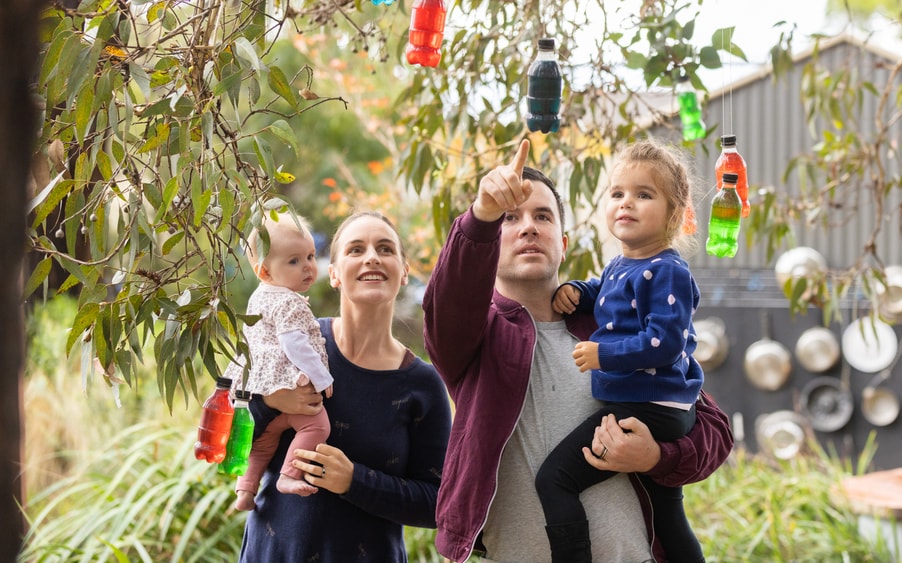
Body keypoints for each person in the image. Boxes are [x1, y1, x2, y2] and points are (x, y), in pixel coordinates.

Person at [423, 138, 733, 563]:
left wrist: (658, 457)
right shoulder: (474, 339)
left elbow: (715, 432)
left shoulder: (614, 324)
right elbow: (449, 301)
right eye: (510, 219)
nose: (528, 226)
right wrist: (480, 217)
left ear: (564, 243)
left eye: (542, 216)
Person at [239, 211, 452, 562]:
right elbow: (224, 442)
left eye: (385, 249)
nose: (372, 257)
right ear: (334, 273)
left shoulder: (422, 384)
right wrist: (268, 402)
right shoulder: (287, 340)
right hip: (272, 553)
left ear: (403, 272)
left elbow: (437, 504)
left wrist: (355, 480)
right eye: (356, 249)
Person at [538, 139, 704, 562]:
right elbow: (607, 290)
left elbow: (663, 343)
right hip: (649, 403)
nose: (626, 203)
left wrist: (602, 355)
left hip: (652, 407)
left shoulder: (667, 270)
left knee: (555, 481)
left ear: (674, 213)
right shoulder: (621, 263)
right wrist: (579, 290)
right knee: (666, 512)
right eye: (617, 193)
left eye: (644, 194)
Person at [224, 213, 334, 511]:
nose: (308, 266)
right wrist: (322, 378)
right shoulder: (287, 301)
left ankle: (245, 490)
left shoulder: (261, 297)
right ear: (264, 272)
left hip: (259, 385)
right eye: (294, 261)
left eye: (310, 256)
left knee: (262, 445)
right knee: (317, 427)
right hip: (284, 383)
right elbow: (294, 344)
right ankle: (288, 475)